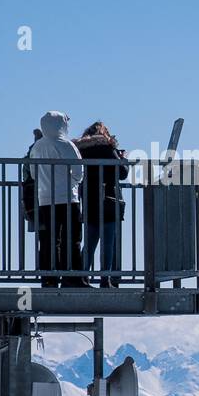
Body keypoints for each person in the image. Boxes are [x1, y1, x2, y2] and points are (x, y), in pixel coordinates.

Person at [27, 111, 87, 287]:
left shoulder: (37, 147)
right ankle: (73, 278)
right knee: (72, 239)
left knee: (48, 241)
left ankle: (49, 279)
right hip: (68, 198)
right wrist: (71, 183)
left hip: (45, 199)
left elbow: (33, 174)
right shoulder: (66, 144)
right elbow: (79, 172)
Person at [75, 121, 129, 288]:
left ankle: (82, 277)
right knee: (108, 242)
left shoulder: (81, 150)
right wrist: (122, 159)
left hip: (89, 199)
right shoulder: (107, 147)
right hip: (108, 200)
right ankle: (105, 279)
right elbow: (122, 173)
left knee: (90, 242)